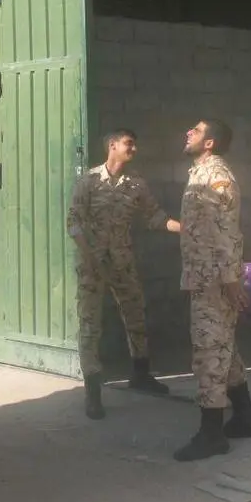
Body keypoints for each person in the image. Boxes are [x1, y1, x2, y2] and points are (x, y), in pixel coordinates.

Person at [66, 128, 182, 420]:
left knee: (136, 316)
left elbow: (155, 217)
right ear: (112, 146)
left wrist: (185, 227)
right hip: (92, 266)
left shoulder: (136, 184)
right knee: (90, 325)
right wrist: (89, 254)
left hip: (122, 262)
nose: (134, 149)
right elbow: (73, 222)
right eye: (129, 144)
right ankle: (93, 392)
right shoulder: (89, 181)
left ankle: (141, 374)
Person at [174, 119, 251, 462]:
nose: (188, 133)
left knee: (209, 353)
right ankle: (245, 418)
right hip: (205, 277)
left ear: (209, 143)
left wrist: (230, 281)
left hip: (215, 280)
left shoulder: (216, 176)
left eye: (195, 131)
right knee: (223, 347)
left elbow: (227, 232)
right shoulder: (199, 172)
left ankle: (211, 434)